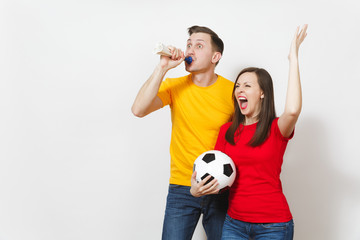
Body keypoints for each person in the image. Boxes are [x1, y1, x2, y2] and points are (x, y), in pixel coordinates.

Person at [190, 25, 308, 240]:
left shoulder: (276, 128)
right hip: (234, 224)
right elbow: (216, 179)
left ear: (262, 93)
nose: (239, 90)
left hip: (273, 226)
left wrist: (293, 59)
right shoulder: (227, 130)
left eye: (247, 85)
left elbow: (292, 110)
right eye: (237, 86)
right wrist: (197, 190)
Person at [131, 26, 234, 240]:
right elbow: (138, 109)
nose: (190, 51)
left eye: (199, 46)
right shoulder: (174, 86)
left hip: (221, 187)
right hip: (182, 187)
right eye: (189, 45)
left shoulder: (233, 91)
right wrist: (162, 68)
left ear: (216, 56)